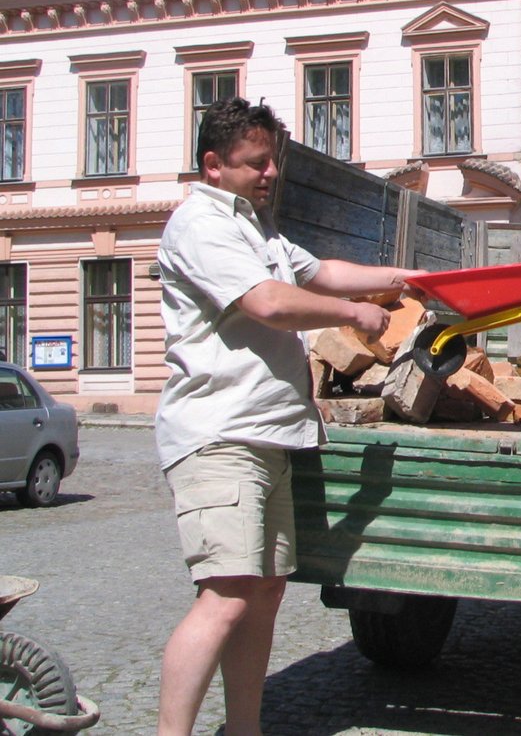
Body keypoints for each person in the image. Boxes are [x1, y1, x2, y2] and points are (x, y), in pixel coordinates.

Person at [153, 97, 423, 736]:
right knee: (224, 599)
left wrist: (401, 278)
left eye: (273, 159)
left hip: (268, 438)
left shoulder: (255, 227)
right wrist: (355, 314)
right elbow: (269, 302)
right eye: (256, 162)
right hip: (220, 436)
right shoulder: (200, 224)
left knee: (264, 595)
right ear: (214, 164)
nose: (271, 172)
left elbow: (322, 271)